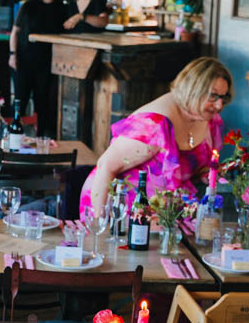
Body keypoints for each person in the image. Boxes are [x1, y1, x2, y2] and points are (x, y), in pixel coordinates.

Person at [80, 57, 232, 216]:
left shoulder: (207, 119)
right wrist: (100, 221)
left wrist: (205, 174)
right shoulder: (154, 125)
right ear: (192, 90)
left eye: (223, 97)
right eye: (213, 96)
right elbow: (105, 165)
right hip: (119, 211)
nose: (219, 105)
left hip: (166, 213)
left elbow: (186, 169)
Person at [8, 0, 66, 137]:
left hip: (47, 62)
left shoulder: (61, 8)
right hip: (24, 60)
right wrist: (13, 55)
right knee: (20, 99)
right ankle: (13, 134)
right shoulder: (28, 6)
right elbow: (15, 33)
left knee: (43, 102)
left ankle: (41, 137)